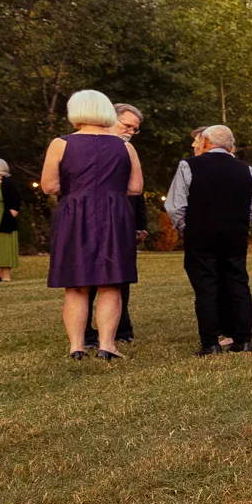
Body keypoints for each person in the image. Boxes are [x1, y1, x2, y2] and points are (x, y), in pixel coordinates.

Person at [42, 89, 142, 360]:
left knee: (75, 284)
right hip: (114, 214)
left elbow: (49, 185)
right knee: (112, 283)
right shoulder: (125, 147)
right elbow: (135, 187)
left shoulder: (60, 144)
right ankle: (107, 345)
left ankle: (76, 346)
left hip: (75, 214)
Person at [166, 124, 252, 356]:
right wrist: (239, 223)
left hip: (201, 234)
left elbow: (175, 206)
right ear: (230, 145)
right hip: (235, 235)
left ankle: (210, 343)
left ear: (206, 142)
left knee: (206, 286)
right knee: (238, 283)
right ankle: (243, 340)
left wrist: (186, 228)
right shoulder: (246, 169)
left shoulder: (188, 165)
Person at [87, 102, 147, 346]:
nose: (130, 132)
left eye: (135, 129)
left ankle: (122, 327)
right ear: (110, 119)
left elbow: (138, 191)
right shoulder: (86, 146)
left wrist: (140, 223)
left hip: (122, 221)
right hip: (89, 220)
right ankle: (87, 332)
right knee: (87, 276)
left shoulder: (128, 151)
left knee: (119, 277)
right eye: (127, 126)